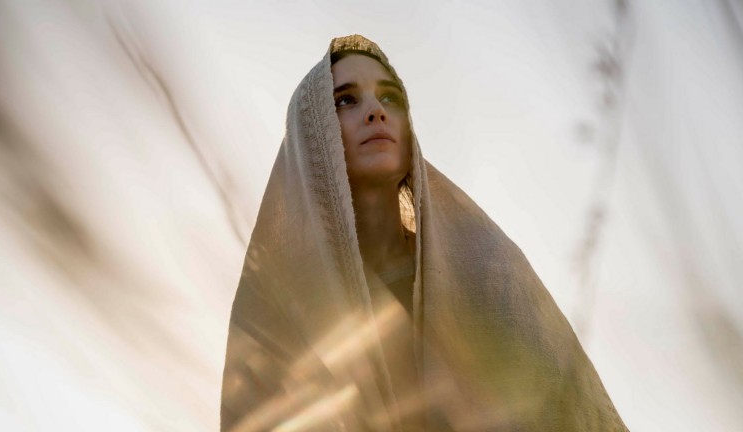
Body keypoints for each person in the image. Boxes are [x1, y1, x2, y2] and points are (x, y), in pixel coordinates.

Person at [220, 34, 628, 431]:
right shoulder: (283, 300)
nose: (376, 111)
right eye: (345, 100)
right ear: (312, 134)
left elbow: (568, 408)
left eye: (390, 98)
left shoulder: (486, 267)